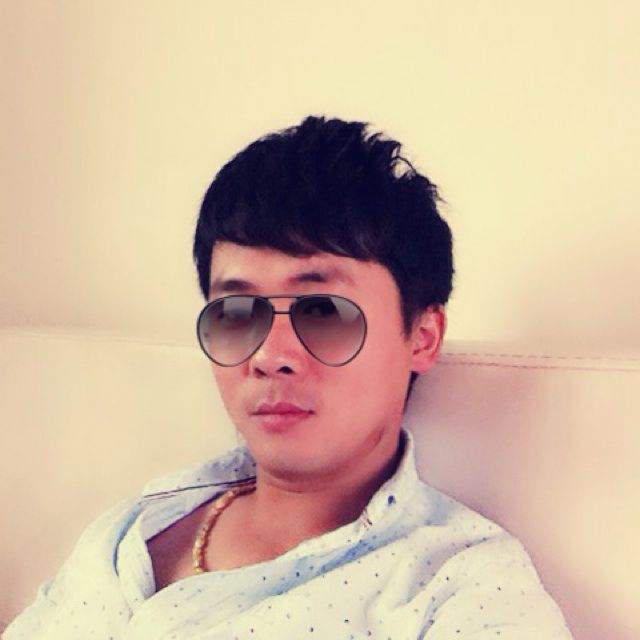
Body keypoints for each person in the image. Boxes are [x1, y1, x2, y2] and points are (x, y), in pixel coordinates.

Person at [3, 116, 573, 639]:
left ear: (422, 335)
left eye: (323, 311)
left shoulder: (462, 591)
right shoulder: (136, 523)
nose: (269, 355)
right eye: (237, 313)